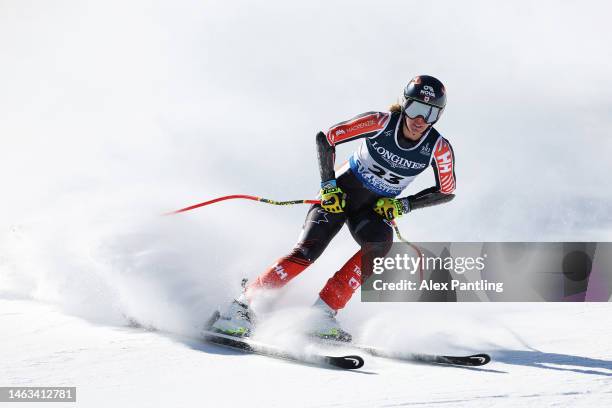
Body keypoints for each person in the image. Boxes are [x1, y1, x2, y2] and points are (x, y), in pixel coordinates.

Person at [210, 75, 456, 341]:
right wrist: (328, 185)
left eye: (430, 113)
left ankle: (321, 315)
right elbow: (326, 138)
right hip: (341, 194)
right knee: (308, 251)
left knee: (380, 246)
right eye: (415, 108)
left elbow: (447, 191)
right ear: (404, 104)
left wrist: (404, 204)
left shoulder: (438, 148)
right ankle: (239, 307)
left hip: (371, 210)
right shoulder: (381, 122)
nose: (420, 120)